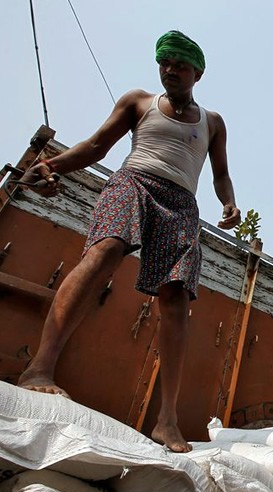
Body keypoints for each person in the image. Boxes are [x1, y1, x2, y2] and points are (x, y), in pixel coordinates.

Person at [15, 30, 241, 452]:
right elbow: (96, 146)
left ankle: (167, 420)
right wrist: (51, 166)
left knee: (175, 296)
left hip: (181, 204)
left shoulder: (213, 122)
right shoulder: (138, 102)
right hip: (133, 182)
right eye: (164, 62)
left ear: (198, 73)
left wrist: (229, 202)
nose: (170, 69)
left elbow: (221, 174)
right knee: (104, 252)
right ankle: (39, 368)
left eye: (179, 64)